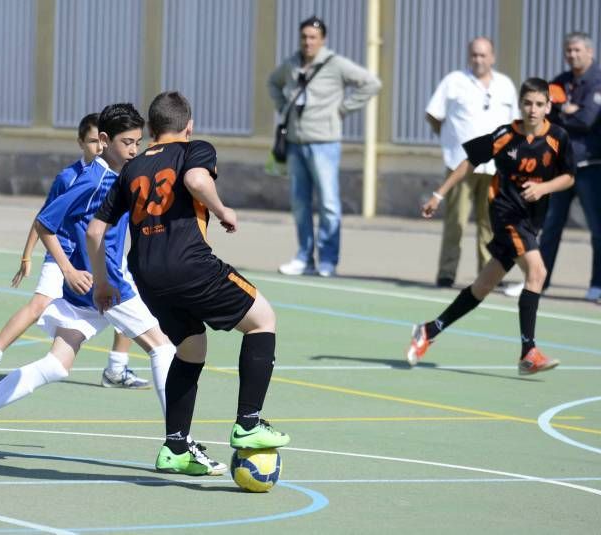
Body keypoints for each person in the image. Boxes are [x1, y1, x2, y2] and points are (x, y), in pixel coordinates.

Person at [0, 103, 226, 475]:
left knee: (58, 364)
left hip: (95, 285)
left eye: (138, 142)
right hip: (104, 285)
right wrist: (67, 269)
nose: (133, 150)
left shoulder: (123, 175)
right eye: (126, 142)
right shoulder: (94, 181)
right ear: (103, 141)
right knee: (162, 348)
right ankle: (179, 444)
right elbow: (45, 223)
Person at [87, 91, 290, 476]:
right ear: (188, 125)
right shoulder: (194, 149)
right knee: (263, 319)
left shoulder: (130, 169)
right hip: (189, 265)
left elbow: (95, 232)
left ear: (152, 129)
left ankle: (176, 447)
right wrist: (222, 209)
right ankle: (248, 423)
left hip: (147, 276)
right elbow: (197, 180)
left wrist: (101, 282)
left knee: (191, 348)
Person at [0, 113, 148, 391]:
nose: (97, 147)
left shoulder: (121, 175)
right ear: (81, 143)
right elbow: (44, 218)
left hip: (99, 259)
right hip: (64, 253)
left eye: (100, 141)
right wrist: (27, 255)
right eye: (92, 141)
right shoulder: (71, 177)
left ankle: (116, 369)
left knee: (126, 305)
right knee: (38, 306)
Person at [408, 78, 575, 375]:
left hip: (530, 220)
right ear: (520, 105)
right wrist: (438, 195)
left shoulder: (558, 138)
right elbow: (468, 162)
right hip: (506, 214)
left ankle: (429, 330)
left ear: (548, 106)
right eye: (527, 103)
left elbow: (569, 177)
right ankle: (529, 352)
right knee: (537, 272)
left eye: (539, 104)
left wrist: (544, 188)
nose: (533, 110)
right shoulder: (505, 136)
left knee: (483, 286)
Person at [268, 15, 381, 277]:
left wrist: (342, 109)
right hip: (296, 142)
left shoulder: (335, 64)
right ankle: (304, 257)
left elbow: (371, 84)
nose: (308, 42)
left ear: (322, 40)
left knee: (329, 204)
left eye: (313, 38)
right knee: (300, 204)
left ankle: (328, 260)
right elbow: (273, 82)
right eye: (304, 37)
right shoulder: (292, 63)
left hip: (325, 143)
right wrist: (282, 107)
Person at [506, 32, 601, 301]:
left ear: (590, 53)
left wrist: (566, 112)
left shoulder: (597, 81)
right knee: (549, 226)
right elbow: (543, 117)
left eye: (577, 50)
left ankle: (597, 285)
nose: (572, 55)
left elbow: (586, 120)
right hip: (559, 169)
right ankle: (538, 283)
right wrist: (564, 111)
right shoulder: (559, 82)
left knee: (597, 229)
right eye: (568, 50)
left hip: (591, 166)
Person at [425, 37, 519, 288]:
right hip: (461, 164)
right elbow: (434, 115)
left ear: (493, 57)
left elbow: (515, 125)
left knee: (490, 224)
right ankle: (447, 272)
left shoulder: (505, 85)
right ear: (469, 56)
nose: (479, 60)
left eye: (483, 55)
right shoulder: (454, 81)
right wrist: (450, 139)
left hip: (495, 167)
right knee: (455, 221)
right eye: (474, 55)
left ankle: (487, 275)